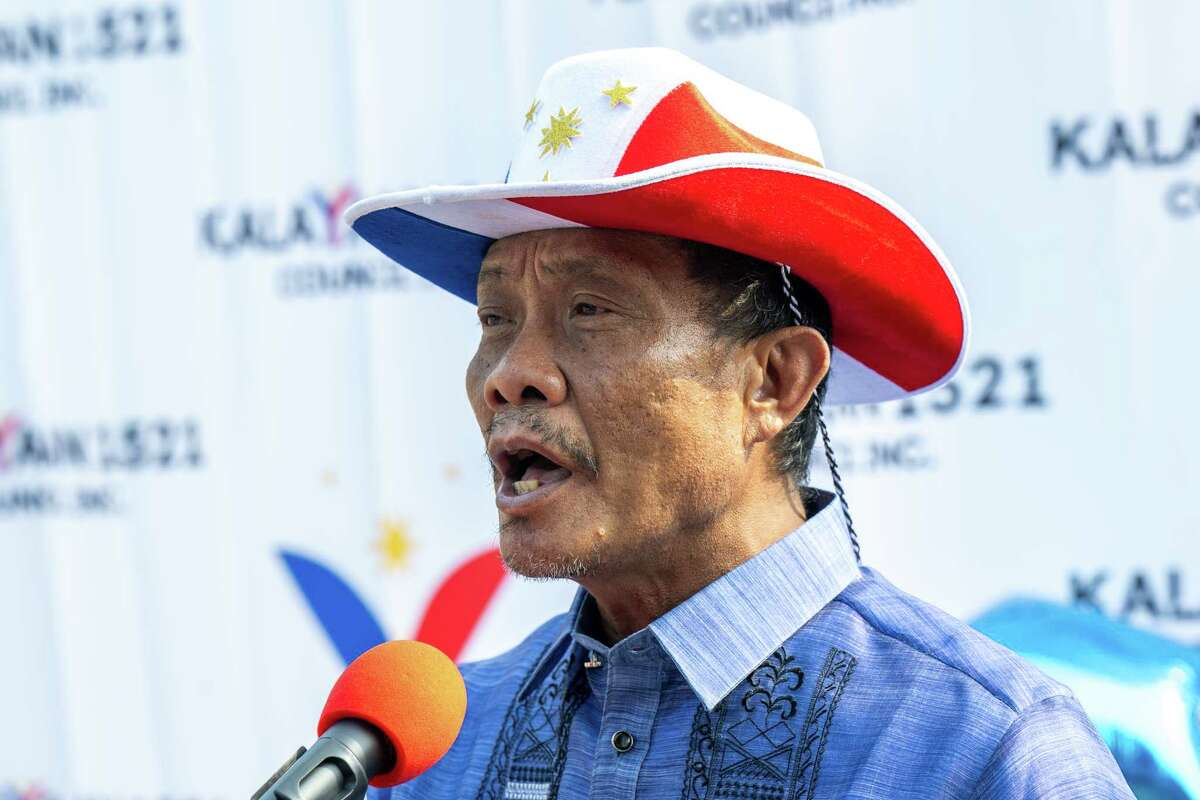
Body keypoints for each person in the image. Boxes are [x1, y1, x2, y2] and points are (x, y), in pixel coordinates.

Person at [348, 48, 1134, 799]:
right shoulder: (436, 755)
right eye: (494, 317)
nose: (511, 374)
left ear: (775, 380)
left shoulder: (982, 750)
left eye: (589, 310)